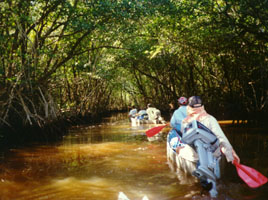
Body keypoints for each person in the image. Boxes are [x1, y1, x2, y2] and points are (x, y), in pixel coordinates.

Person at [180, 96, 240, 164]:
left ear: (189, 107)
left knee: (180, 148)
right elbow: (221, 138)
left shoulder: (184, 122)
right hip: (211, 155)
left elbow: (184, 139)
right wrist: (231, 155)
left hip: (194, 156)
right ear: (202, 107)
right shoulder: (210, 119)